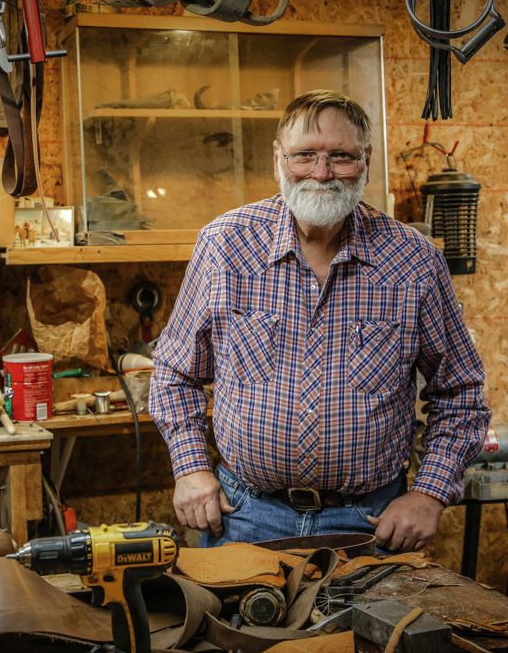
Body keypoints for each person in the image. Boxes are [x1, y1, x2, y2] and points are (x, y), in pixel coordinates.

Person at [148, 89, 490, 551]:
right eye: (304, 155)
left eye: (341, 157)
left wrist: (429, 493)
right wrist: (190, 467)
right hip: (244, 517)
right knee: (238, 627)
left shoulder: (414, 262)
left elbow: (461, 392)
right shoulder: (225, 246)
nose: (322, 173)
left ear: (365, 160)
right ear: (278, 159)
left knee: (365, 628)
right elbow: (174, 372)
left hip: (368, 522)